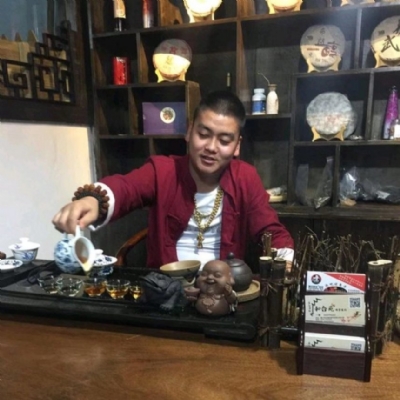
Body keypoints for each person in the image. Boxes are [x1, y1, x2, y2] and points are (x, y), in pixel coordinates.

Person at [52, 90, 294, 270]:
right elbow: (127, 188)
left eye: (224, 140)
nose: (211, 147)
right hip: (165, 286)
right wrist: (93, 200)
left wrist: (285, 261)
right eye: (203, 134)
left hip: (221, 289)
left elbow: (270, 231)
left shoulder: (245, 177)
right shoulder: (163, 170)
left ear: (237, 146)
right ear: (189, 131)